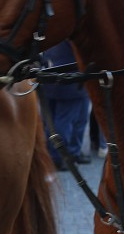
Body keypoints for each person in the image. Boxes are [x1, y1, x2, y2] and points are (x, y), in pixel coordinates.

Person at [38, 41, 92, 169]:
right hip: (71, 81)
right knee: (68, 121)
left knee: (52, 120)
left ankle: (65, 153)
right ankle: (61, 156)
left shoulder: (52, 28)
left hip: (50, 78)